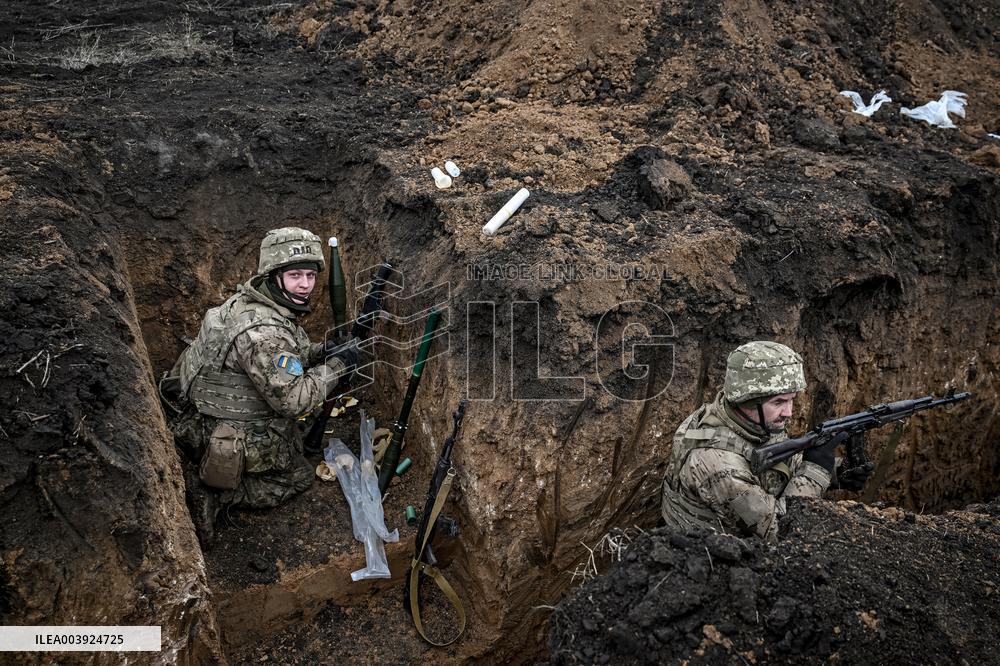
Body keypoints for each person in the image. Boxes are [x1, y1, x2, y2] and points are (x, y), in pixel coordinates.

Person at [161, 227, 358, 547]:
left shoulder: (250, 301)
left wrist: (322, 352)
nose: (306, 285)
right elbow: (293, 401)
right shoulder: (263, 333)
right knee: (298, 475)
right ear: (274, 275)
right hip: (220, 435)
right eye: (295, 275)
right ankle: (218, 495)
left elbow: (287, 357)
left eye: (310, 275)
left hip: (195, 414)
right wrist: (338, 366)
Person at [661, 341, 837, 541]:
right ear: (747, 400)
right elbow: (780, 532)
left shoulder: (751, 422)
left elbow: (777, 459)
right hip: (710, 553)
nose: (788, 412)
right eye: (779, 402)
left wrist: (834, 470)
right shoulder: (719, 464)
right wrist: (815, 473)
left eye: (791, 399)